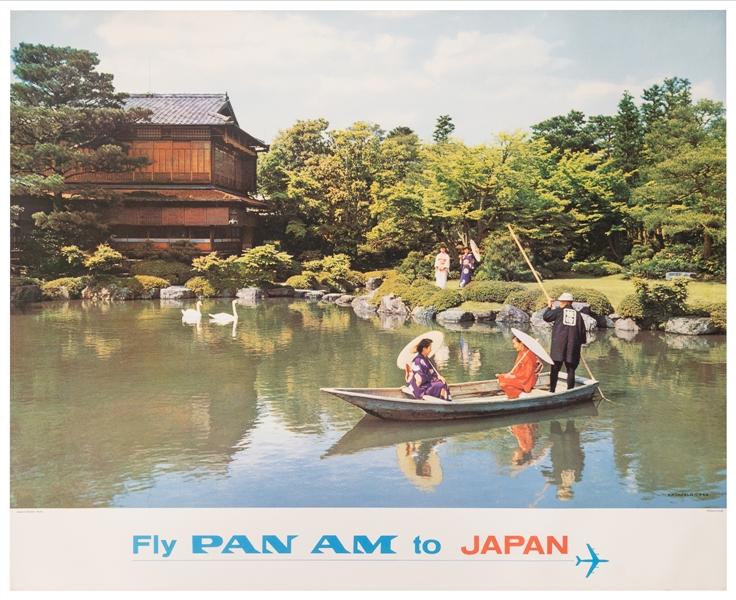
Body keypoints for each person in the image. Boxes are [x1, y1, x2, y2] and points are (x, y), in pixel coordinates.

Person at [542, 292, 587, 392]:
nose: (560, 303)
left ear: (565, 302)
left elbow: (546, 317)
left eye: (561, 302)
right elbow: (582, 333)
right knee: (571, 370)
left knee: (555, 369)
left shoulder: (559, 311)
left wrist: (549, 306)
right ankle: (570, 391)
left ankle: (552, 390)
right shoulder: (578, 315)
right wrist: (579, 344)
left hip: (558, 345)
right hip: (573, 346)